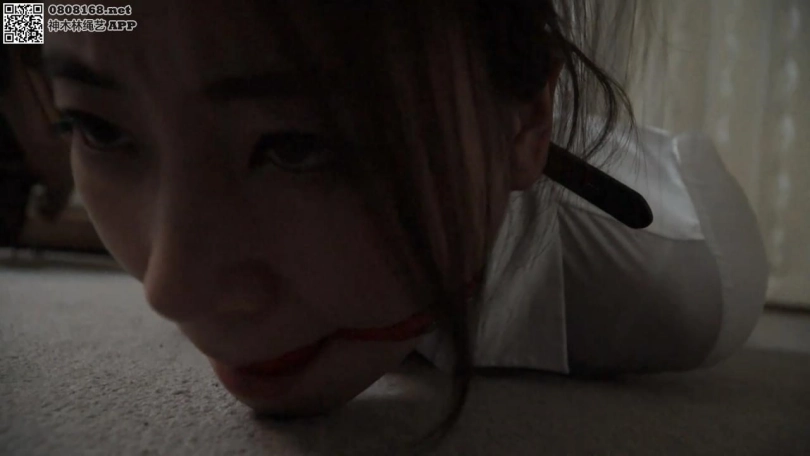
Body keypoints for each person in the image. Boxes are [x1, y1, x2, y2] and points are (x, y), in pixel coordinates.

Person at [37, 0, 768, 449]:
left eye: (297, 145)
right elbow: (54, 19)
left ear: (526, 119)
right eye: (98, 128)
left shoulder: (687, 285)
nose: (169, 290)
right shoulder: (102, 15)